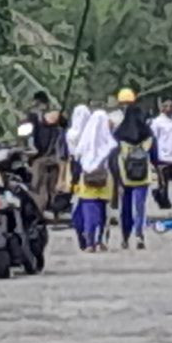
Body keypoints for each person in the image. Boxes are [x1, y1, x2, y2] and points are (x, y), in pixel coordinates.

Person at [72, 109, 118, 252]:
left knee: (88, 213)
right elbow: (114, 166)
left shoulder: (84, 143)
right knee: (103, 213)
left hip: (86, 182)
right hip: (105, 182)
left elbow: (77, 160)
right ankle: (100, 241)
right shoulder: (111, 144)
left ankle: (89, 243)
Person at [113, 104, 154, 250]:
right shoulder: (147, 133)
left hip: (125, 175)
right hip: (143, 175)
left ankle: (125, 236)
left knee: (125, 207)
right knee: (140, 206)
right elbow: (153, 154)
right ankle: (139, 234)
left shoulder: (119, 133)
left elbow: (113, 156)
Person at [26, 91, 64, 214]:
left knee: (44, 184)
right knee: (40, 185)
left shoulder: (55, 118)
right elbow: (30, 136)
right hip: (42, 156)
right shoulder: (33, 117)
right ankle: (42, 209)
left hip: (51, 156)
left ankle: (50, 209)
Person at [65, 104, 91, 250]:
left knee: (77, 206)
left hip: (75, 171)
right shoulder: (92, 132)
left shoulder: (70, 134)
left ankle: (81, 236)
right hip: (91, 172)